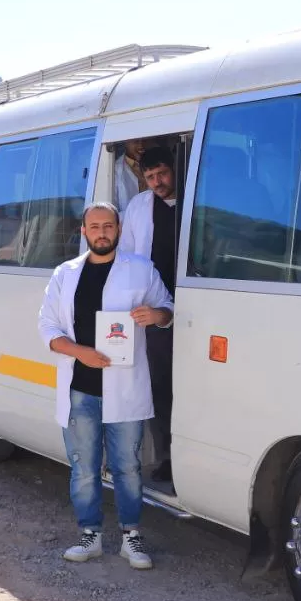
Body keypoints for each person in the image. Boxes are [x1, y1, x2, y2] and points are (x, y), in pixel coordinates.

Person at [37, 202, 174, 569]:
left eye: (108, 226)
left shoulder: (140, 270)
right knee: (83, 467)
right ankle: (90, 534)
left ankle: (131, 537)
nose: (101, 232)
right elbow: (48, 328)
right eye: (94, 226)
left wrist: (156, 315)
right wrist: (79, 352)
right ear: (84, 231)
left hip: (124, 390)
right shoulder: (65, 275)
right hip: (80, 389)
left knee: (128, 466)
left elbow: (168, 309)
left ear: (118, 228)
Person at [119, 146, 178, 482]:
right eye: (150, 176)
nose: (157, 182)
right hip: (153, 310)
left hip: (196, 306)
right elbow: (126, 257)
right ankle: (167, 456)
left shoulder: (194, 202)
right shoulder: (139, 207)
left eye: (162, 174)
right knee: (159, 385)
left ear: (175, 170)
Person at [113, 139, 147, 211]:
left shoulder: (154, 163)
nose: (141, 145)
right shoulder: (114, 170)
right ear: (126, 143)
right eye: (136, 141)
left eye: (144, 140)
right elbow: (113, 212)